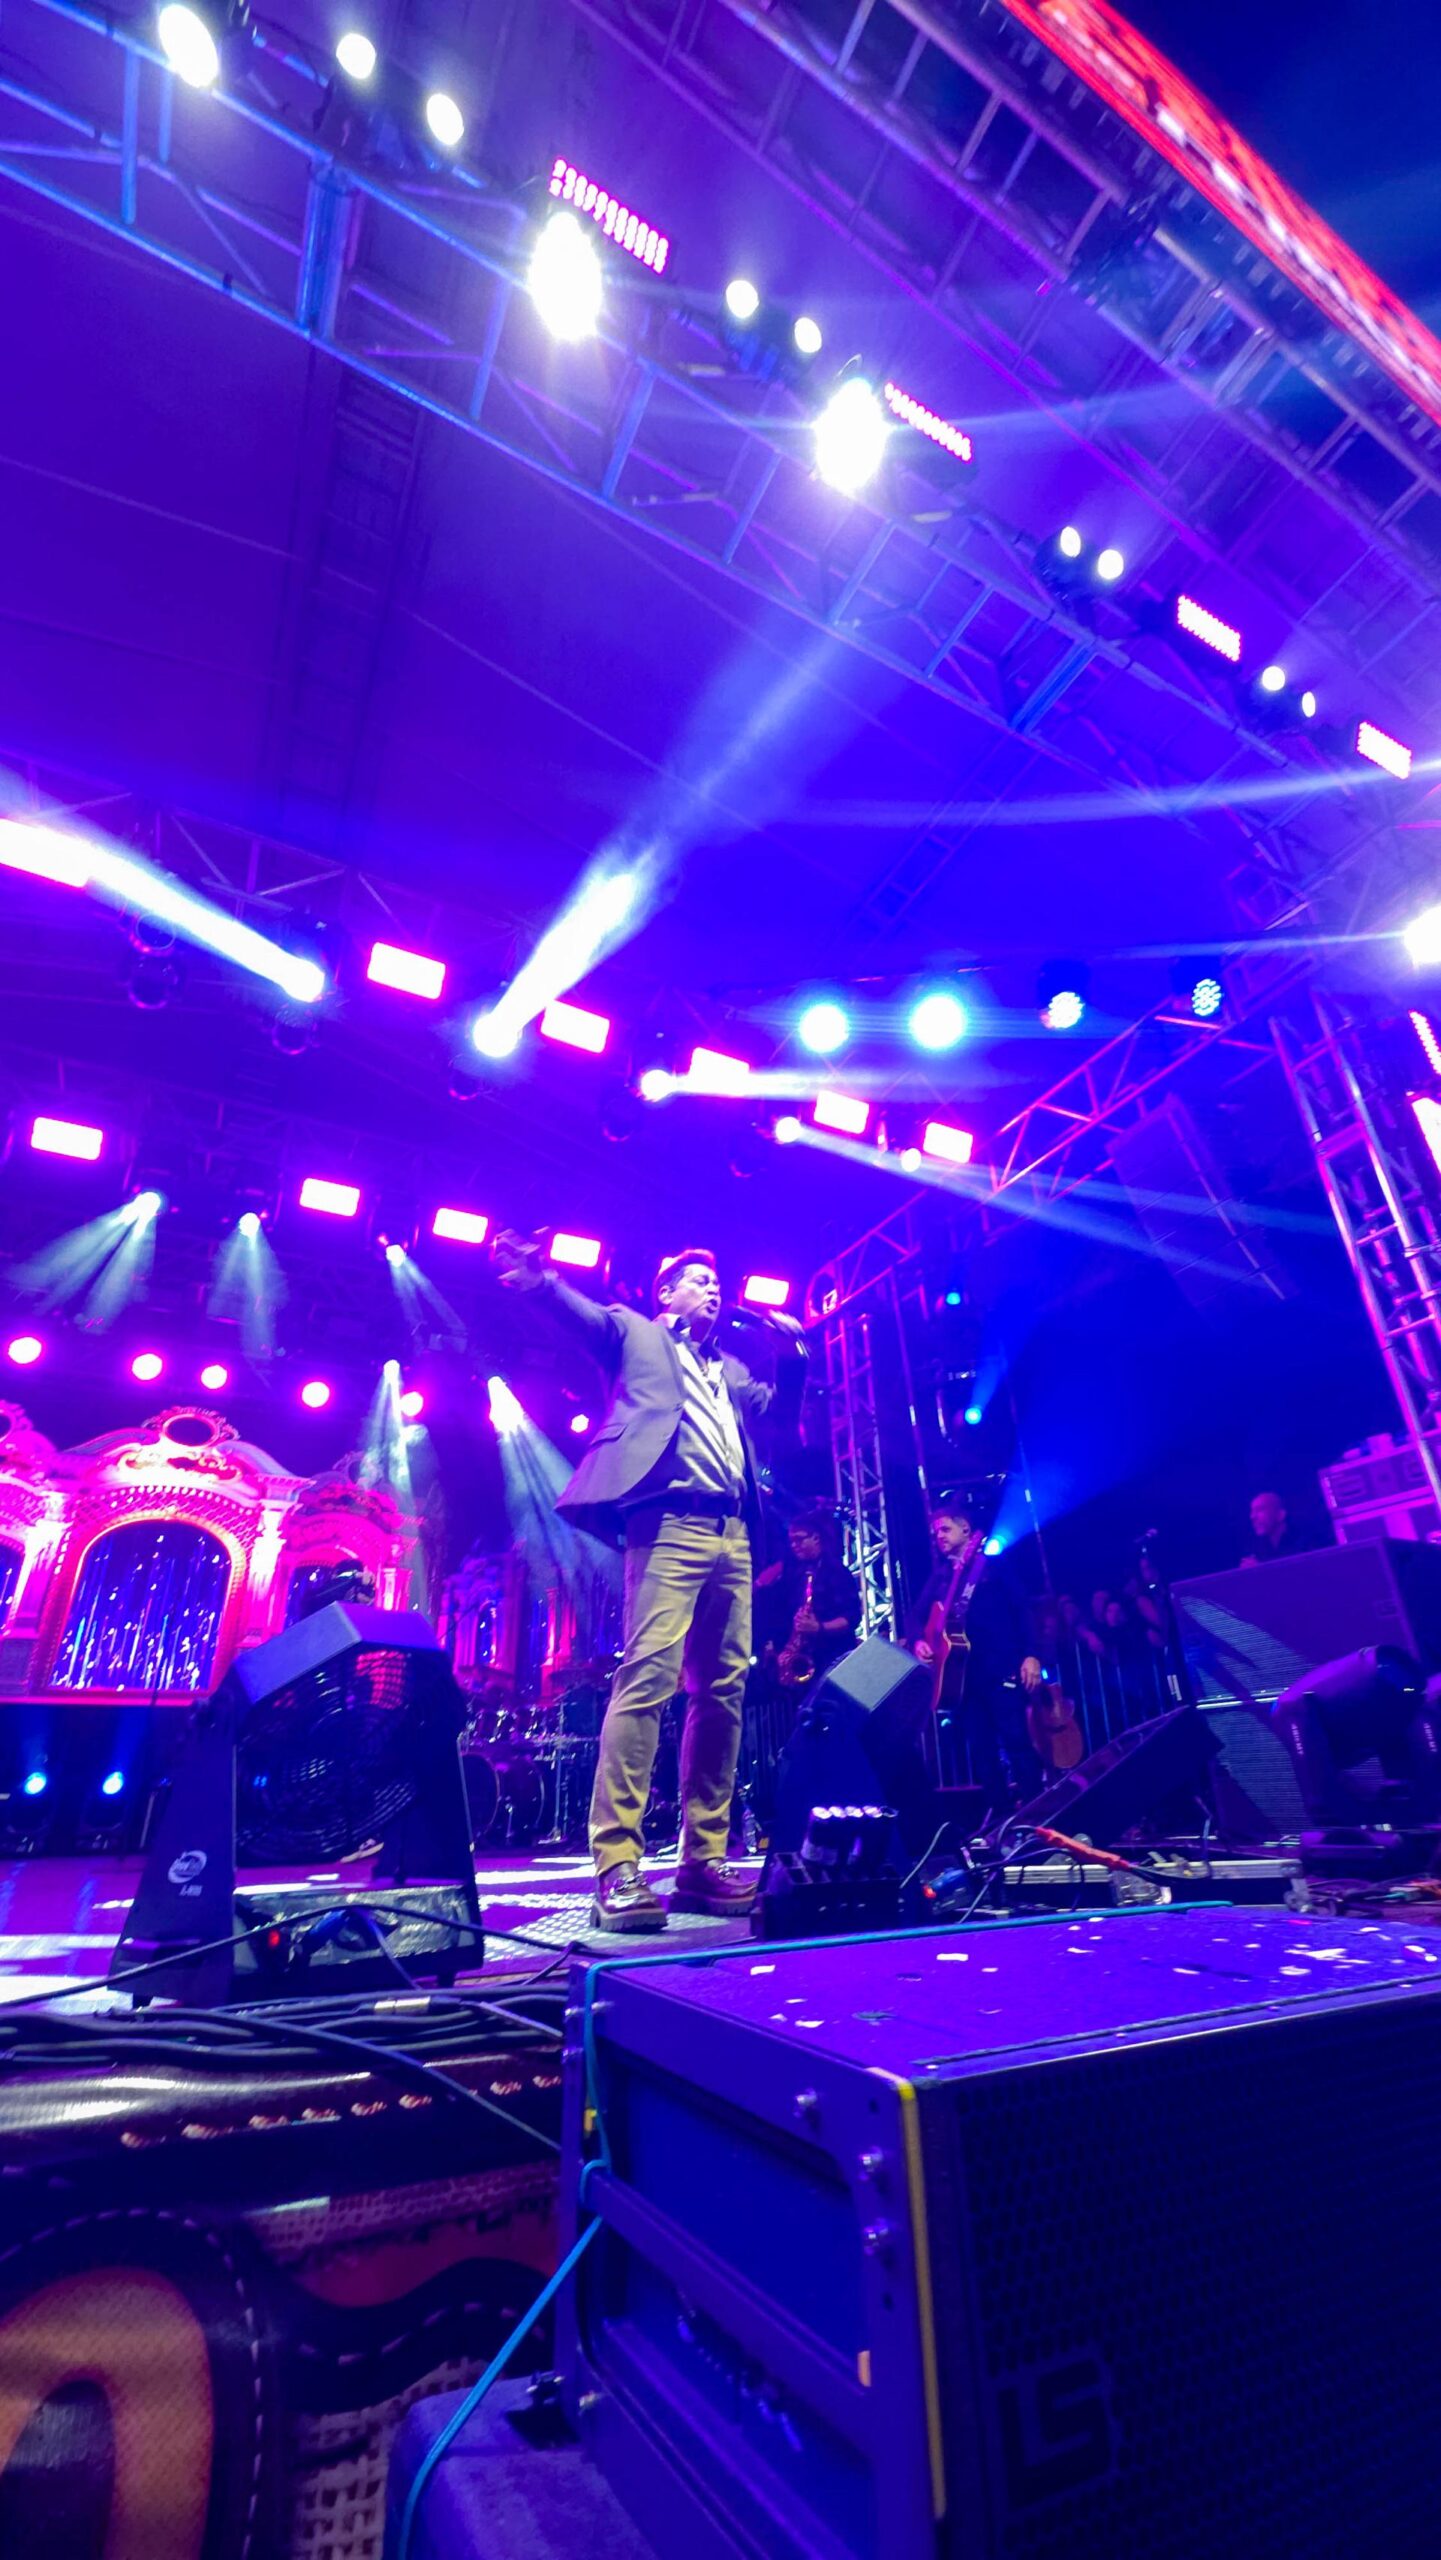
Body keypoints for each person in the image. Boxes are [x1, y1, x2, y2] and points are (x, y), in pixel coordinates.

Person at [494, 1236, 772, 1932]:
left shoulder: (728, 1367)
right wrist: (542, 1282)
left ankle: (703, 1860)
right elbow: (583, 1319)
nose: (712, 1288)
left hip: (733, 1531)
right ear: (666, 1292)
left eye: (716, 1281)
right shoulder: (636, 1333)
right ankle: (617, 1864)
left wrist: (793, 1352)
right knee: (647, 1678)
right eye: (697, 1279)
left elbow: (775, 1409)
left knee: (723, 1693)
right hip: (667, 1521)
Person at [907, 1501, 1043, 1814]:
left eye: (945, 1529)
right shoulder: (941, 1576)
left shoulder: (992, 1566)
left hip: (1000, 1666)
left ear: (966, 1529)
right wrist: (918, 1642)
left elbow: (1023, 1610)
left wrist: (1031, 1655)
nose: (939, 1536)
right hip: (962, 1678)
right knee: (981, 1750)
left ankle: (1037, 1813)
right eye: (936, 1532)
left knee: (1016, 1741)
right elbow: (914, 1616)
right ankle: (1000, 1818)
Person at [754, 1505, 862, 1686]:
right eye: (791, 1541)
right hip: (805, 1658)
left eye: (799, 1539)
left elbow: (852, 1618)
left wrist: (819, 1627)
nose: (794, 1545)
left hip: (833, 1657)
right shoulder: (795, 1573)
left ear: (816, 1538)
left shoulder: (837, 1572)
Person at [1242, 1489, 1300, 1568]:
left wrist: (1261, 1569)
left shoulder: (1302, 1542)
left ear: (1280, 1514)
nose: (1252, 1517)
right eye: (1252, 1512)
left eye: (1260, 1510)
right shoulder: (1259, 1548)